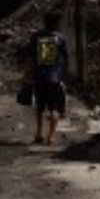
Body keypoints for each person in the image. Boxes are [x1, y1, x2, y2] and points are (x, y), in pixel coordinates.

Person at [26, 11, 69, 144]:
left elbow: (30, 57)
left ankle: (39, 134)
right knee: (54, 108)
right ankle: (50, 137)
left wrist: (28, 74)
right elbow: (66, 58)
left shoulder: (36, 37)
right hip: (54, 78)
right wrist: (63, 73)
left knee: (40, 107)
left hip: (39, 77)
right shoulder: (61, 38)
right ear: (55, 23)